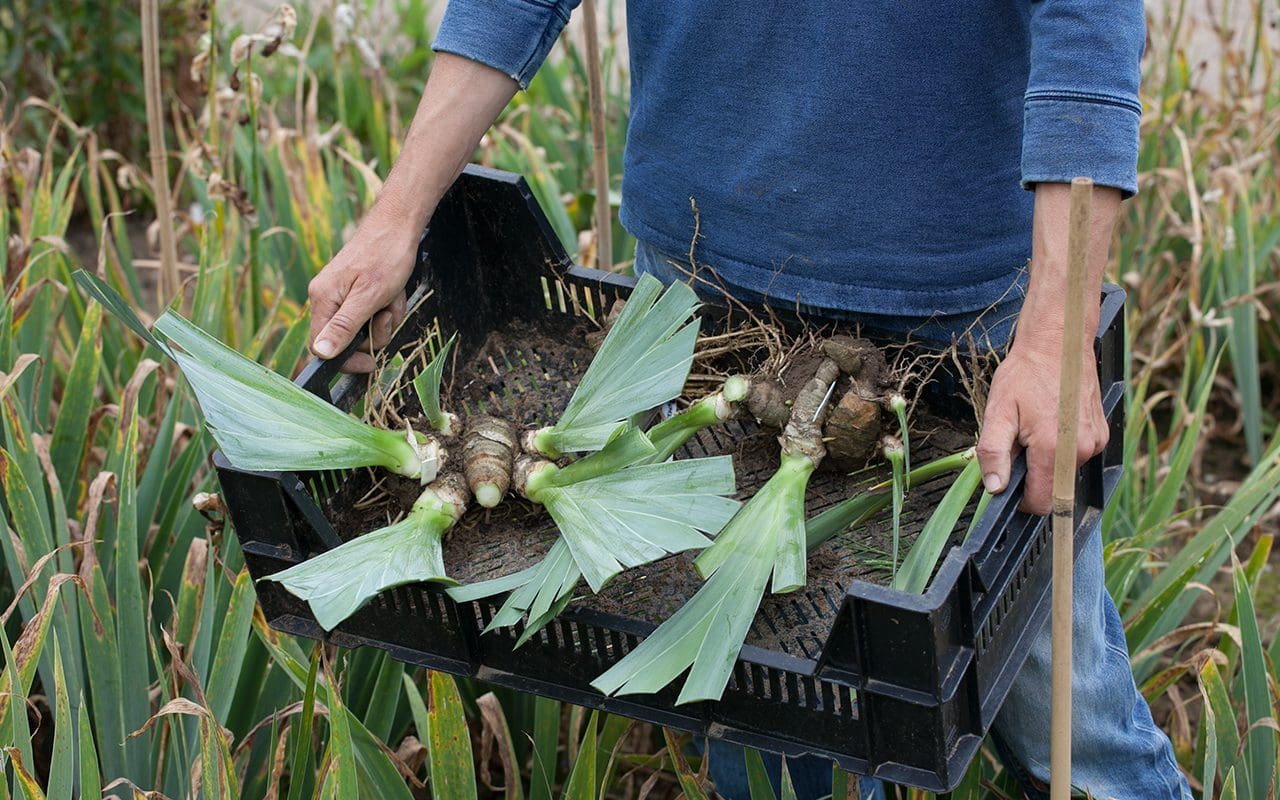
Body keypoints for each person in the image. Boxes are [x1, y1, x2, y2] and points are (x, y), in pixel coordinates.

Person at [305, 3, 1191, 798]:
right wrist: (397, 214)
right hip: (701, 289)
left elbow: (1089, 19)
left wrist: (1056, 329)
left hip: (957, 311)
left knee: (1064, 715)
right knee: (769, 705)